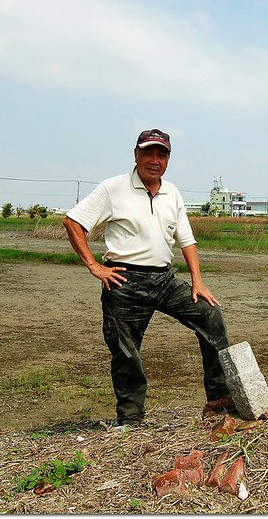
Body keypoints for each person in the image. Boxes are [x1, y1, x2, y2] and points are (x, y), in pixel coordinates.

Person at [63, 128, 234, 428]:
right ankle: (131, 421)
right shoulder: (113, 188)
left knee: (211, 316)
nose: (154, 160)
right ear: (136, 155)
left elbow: (187, 240)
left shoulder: (173, 193)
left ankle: (219, 399)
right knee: (125, 350)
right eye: (148, 152)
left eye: (161, 154)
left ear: (168, 159)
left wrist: (197, 280)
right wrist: (94, 265)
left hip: (164, 280)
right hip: (125, 282)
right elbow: (73, 221)